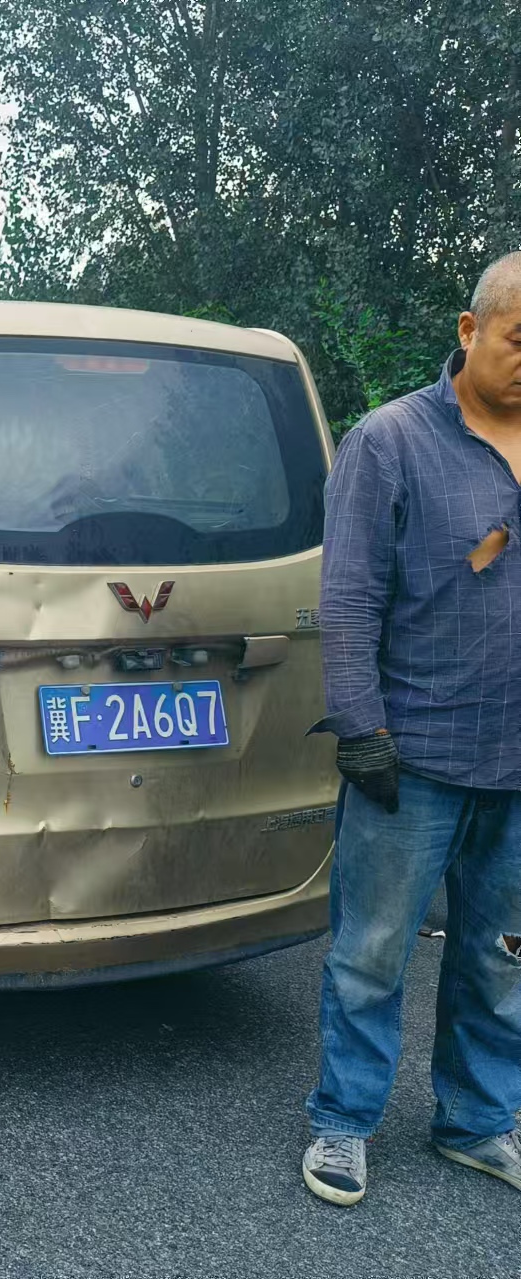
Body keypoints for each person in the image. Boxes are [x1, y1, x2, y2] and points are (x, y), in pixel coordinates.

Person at [302, 250, 521, 1205]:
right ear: (468, 331)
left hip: (516, 767)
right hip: (412, 760)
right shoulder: (389, 443)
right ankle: (343, 1121)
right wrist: (360, 729)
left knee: (499, 954)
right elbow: (348, 598)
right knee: (373, 949)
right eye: (520, 340)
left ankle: (477, 1120)